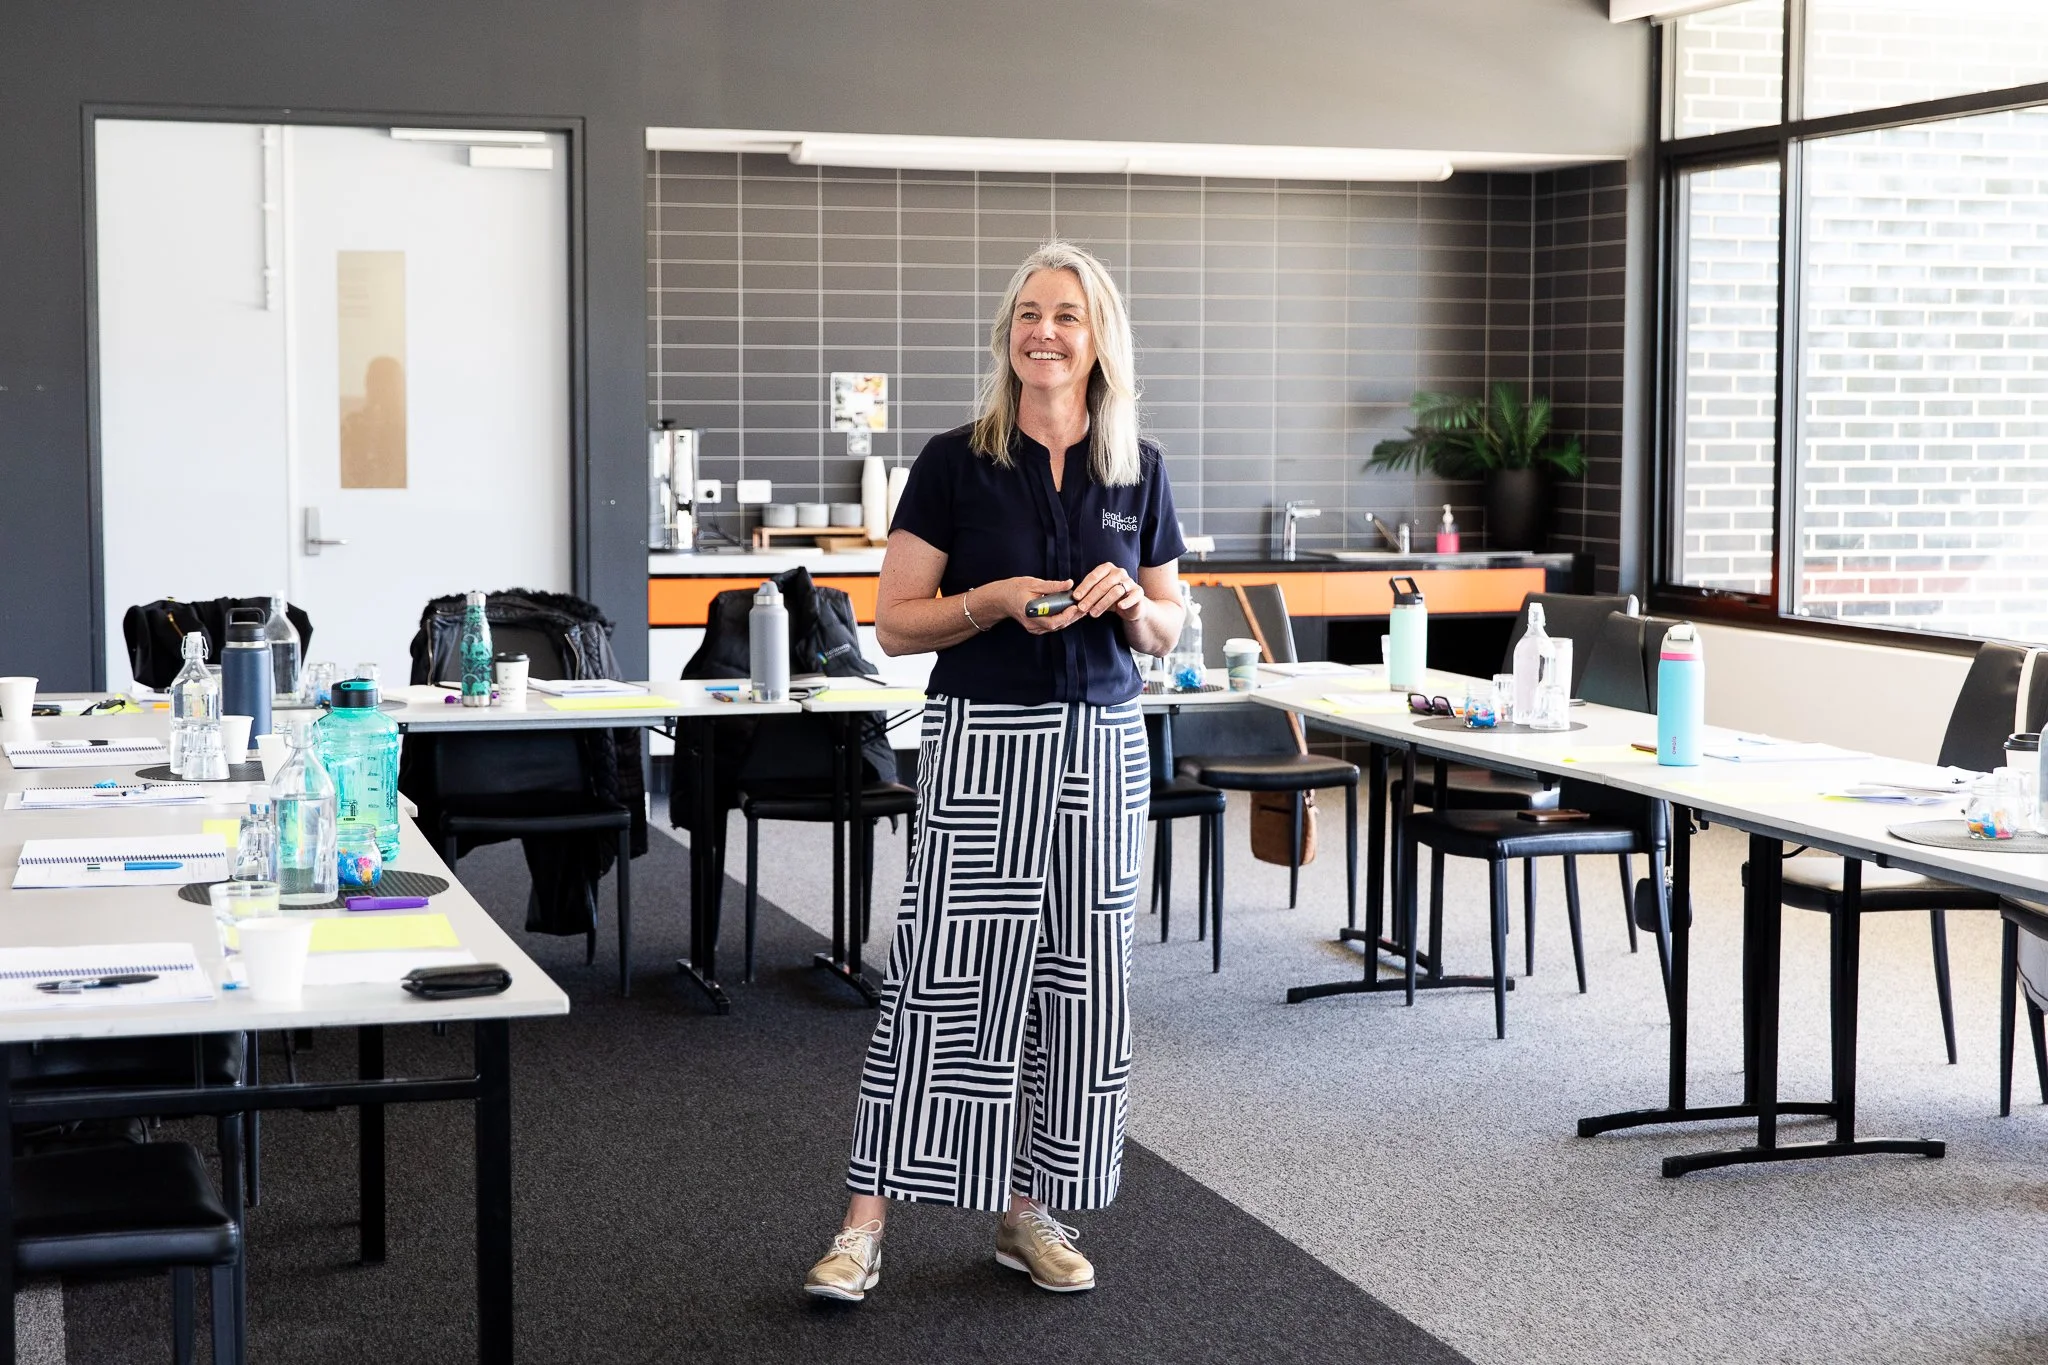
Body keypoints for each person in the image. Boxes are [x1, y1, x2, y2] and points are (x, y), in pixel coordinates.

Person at [804, 241, 1187, 1301]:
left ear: (1096, 336)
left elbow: (1166, 626)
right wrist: (995, 598)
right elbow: (890, 627)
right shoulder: (953, 462)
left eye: (1064, 315)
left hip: (1103, 753)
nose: (1042, 332)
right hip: (985, 743)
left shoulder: (1137, 468)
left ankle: (1028, 1211)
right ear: (1006, 334)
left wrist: (1132, 608)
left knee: (1077, 987)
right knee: (940, 982)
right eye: (1027, 314)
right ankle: (860, 1229)